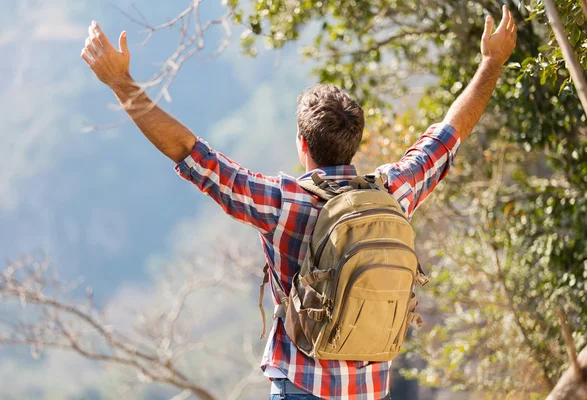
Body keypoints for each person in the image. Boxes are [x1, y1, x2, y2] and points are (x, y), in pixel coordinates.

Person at [81, 6, 516, 400]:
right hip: (370, 389)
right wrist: (491, 62)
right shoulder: (392, 193)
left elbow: (189, 152)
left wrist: (121, 83)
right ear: (354, 141)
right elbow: (448, 134)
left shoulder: (281, 202)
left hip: (302, 388)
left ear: (303, 145)